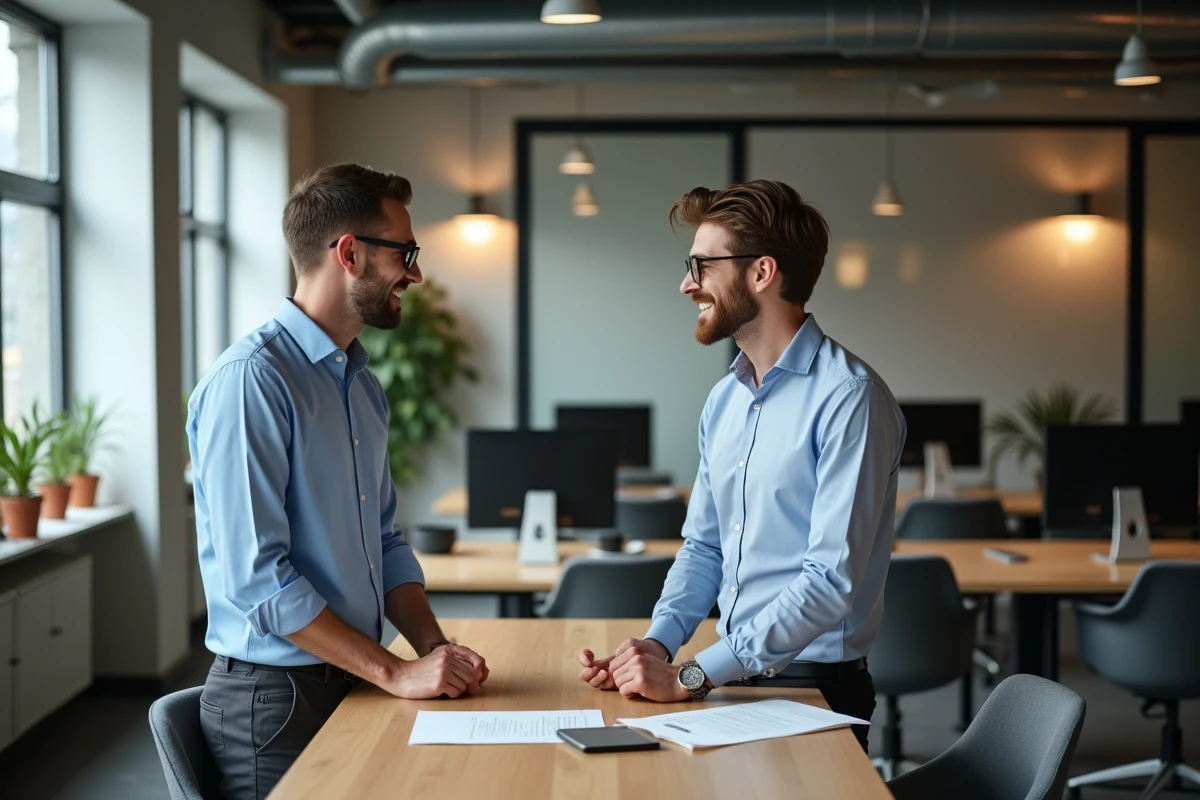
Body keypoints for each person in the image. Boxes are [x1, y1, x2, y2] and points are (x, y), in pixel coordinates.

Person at [188, 163, 488, 799]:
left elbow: (385, 539)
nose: (416, 272)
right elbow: (258, 580)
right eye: (404, 252)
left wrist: (436, 651)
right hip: (275, 702)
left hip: (354, 678)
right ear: (349, 254)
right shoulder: (252, 381)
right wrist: (395, 672)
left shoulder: (360, 383)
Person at [578, 179, 905, 751]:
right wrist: (659, 647)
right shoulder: (724, 400)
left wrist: (693, 675)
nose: (687, 284)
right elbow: (704, 547)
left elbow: (830, 584)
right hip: (731, 682)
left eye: (701, 266)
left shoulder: (850, 397)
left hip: (814, 690)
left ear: (761, 273)